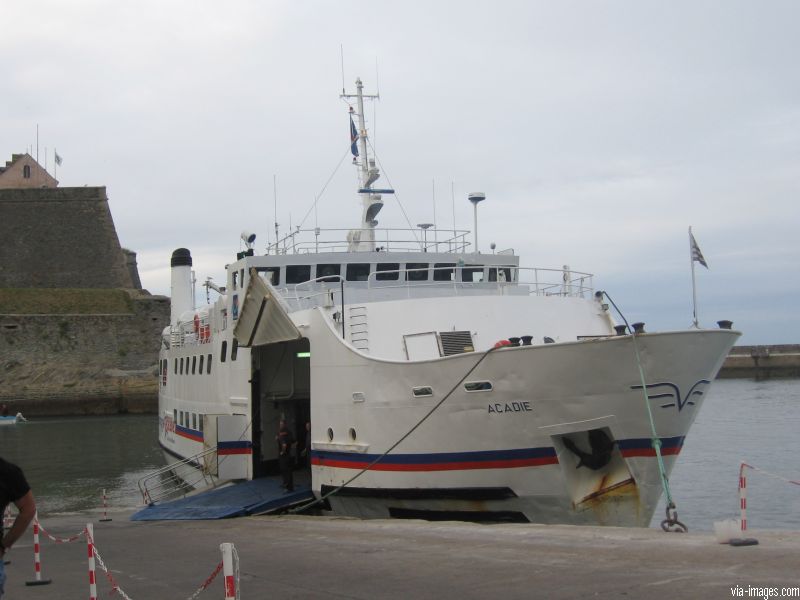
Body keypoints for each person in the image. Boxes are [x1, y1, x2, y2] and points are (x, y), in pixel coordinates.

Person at [0, 457, 36, 598]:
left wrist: (4, 545)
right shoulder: (7, 472)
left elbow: (28, 509)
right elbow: (28, 508)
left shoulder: (7, 472)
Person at [276, 420, 295, 492]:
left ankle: (287, 487)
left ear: (284, 425)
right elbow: (294, 441)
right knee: (288, 471)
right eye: (280, 424)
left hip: (284, 456)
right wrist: (291, 449)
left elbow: (284, 444)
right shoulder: (289, 432)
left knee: (285, 471)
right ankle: (289, 486)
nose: (280, 426)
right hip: (288, 455)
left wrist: (282, 452)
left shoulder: (282, 434)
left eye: (281, 424)